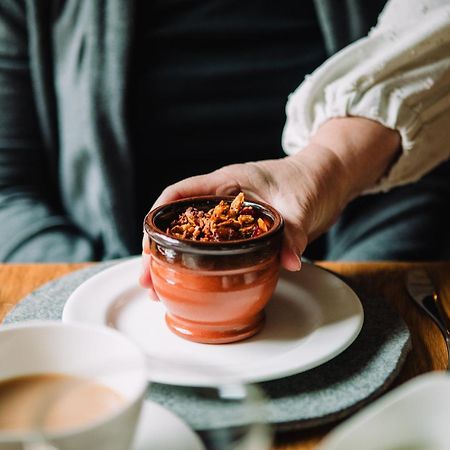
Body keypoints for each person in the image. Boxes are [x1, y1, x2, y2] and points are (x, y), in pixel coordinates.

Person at [0, 1, 449, 274]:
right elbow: (8, 192)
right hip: (110, 275)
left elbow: (427, 110)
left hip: (352, 265)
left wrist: (349, 292)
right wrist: (110, 295)